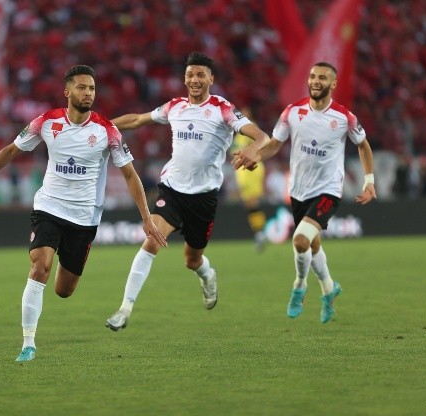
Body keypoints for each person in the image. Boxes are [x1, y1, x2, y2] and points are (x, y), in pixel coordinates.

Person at [0, 65, 167, 362]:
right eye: (81, 87)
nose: (88, 93)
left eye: (91, 88)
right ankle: (28, 343)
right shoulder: (46, 122)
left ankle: (52, 281)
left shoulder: (107, 131)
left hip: (85, 218)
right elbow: (12, 150)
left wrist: (145, 217)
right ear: (67, 92)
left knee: (64, 290)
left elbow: (130, 175)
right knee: (40, 265)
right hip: (49, 207)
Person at [105, 52, 270, 331]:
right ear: (185, 78)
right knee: (151, 242)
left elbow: (262, 136)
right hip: (172, 190)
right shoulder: (175, 106)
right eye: (190, 75)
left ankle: (207, 275)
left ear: (210, 79)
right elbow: (136, 120)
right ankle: (124, 308)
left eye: (200, 75)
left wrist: (253, 149)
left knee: (191, 260)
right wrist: (103, 125)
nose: (194, 80)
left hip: (204, 198)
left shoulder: (222, 108)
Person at [232, 62, 376, 324]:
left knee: (300, 241)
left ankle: (299, 286)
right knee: (313, 243)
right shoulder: (292, 112)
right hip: (299, 190)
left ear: (333, 84)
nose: (315, 81)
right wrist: (256, 156)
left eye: (322, 77)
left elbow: (363, 146)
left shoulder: (344, 117)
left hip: (328, 190)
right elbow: (275, 144)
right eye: (312, 76)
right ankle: (329, 289)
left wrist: (369, 181)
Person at [230, 107, 268, 252]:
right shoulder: (239, 132)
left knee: (252, 201)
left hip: (251, 169)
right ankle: (259, 233)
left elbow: (262, 143)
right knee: (249, 203)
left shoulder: (251, 128)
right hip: (242, 170)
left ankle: (260, 233)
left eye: (245, 113)